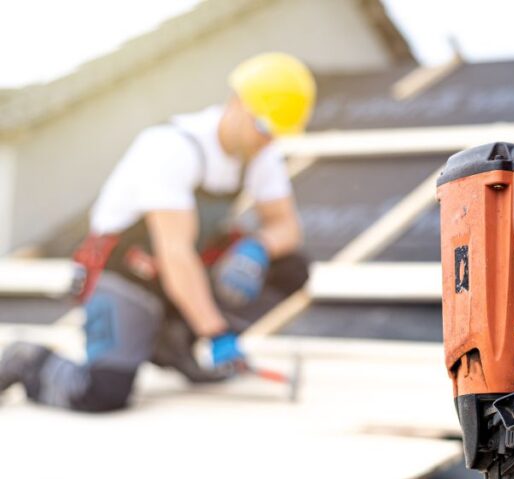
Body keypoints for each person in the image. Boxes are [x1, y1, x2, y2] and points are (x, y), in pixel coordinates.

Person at [0, 52, 315, 413]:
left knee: (289, 267)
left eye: (275, 134)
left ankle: (173, 343)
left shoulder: (260, 155)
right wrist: (215, 333)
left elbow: (286, 227)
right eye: (262, 127)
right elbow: (175, 253)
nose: (267, 140)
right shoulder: (173, 147)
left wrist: (257, 248)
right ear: (237, 102)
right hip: (125, 274)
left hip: (176, 273)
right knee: (102, 393)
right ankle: (25, 360)